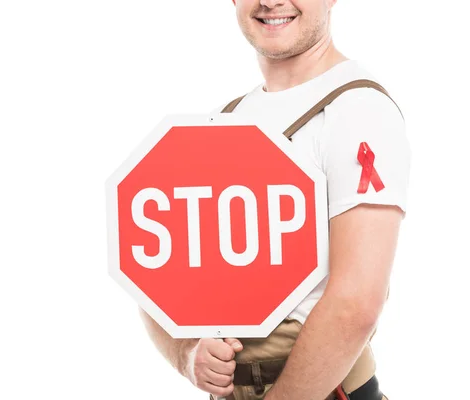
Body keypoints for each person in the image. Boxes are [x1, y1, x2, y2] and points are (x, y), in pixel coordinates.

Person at [139, 0, 410, 399]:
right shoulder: (219, 122)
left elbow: (357, 303)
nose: (271, 1)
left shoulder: (357, 110)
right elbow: (152, 273)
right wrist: (186, 353)